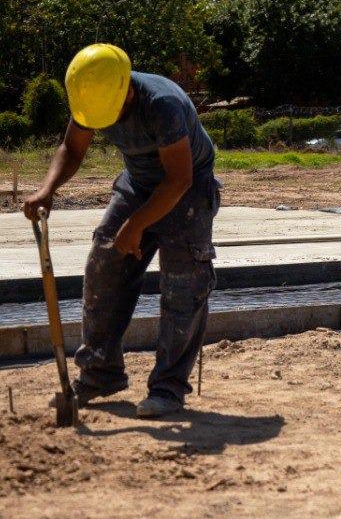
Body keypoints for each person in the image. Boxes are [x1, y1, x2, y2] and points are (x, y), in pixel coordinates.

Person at [22, 44, 219, 418]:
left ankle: (167, 389)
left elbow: (178, 180)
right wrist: (48, 189)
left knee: (184, 285)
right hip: (138, 184)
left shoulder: (163, 105)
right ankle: (100, 374)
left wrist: (135, 226)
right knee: (104, 267)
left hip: (188, 187)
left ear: (127, 88)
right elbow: (71, 147)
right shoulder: (91, 97)